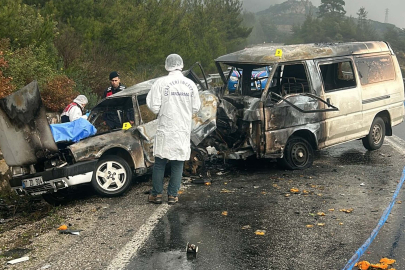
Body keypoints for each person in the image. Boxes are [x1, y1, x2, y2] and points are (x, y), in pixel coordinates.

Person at [146, 54, 201, 205]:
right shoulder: (190, 84)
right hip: (182, 129)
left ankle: (156, 194)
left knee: (160, 163)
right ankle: (173, 195)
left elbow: (153, 106)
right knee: (178, 162)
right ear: (181, 65)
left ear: (167, 65)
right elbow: (196, 107)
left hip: (166, 128)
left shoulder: (160, 83)